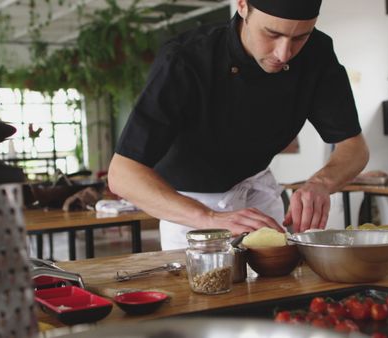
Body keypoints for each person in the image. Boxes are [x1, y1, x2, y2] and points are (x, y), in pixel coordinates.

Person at [108, 0, 369, 250]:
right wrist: (209, 218)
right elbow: (122, 174)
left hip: (258, 195)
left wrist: (321, 183)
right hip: (190, 207)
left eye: (300, 37)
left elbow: (354, 146)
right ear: (243, 5)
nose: (284, 53)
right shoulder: (185, 58)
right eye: (272, 34)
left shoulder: (318, 52)